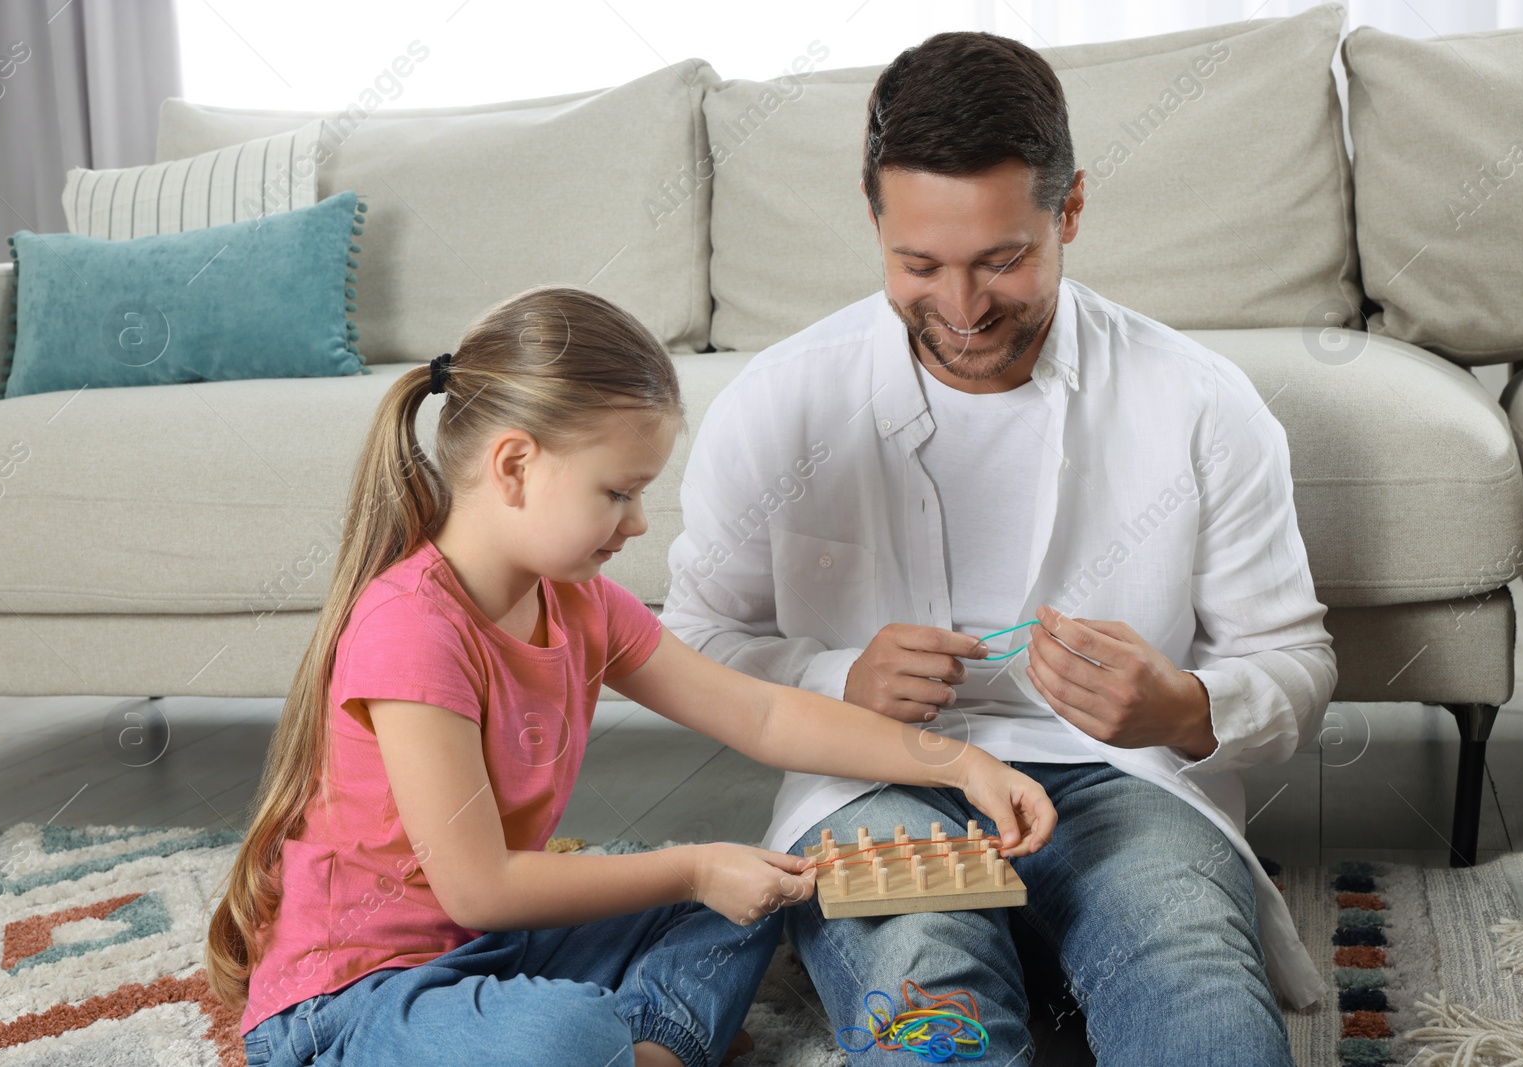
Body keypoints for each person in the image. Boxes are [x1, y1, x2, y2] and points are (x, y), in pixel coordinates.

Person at [661, 31, 1337, 1066]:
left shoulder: (1197, 401)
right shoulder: (778, 405)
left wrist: (1185, 709)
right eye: (918, 264)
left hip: (1123, 779)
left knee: (1185, 962)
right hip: (874, 782)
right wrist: (839, 677)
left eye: (1002, 260)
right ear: (872, 213)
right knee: (924, 982)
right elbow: (695, 644)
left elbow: (1294, 661)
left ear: (1068, 212)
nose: (964, 311)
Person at [204, 285, 1059, 1067]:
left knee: (743, 905)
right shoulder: (413, 630)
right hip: (361, 990)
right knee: (569, 1027)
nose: (640, 522)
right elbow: (481, 883)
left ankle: (638, 1051)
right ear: (513, 466)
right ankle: (632, 1043)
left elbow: (760, 714)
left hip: (495, 944)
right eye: (618, 492)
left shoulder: (582, 603)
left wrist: (961, 763)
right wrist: (689, 865)